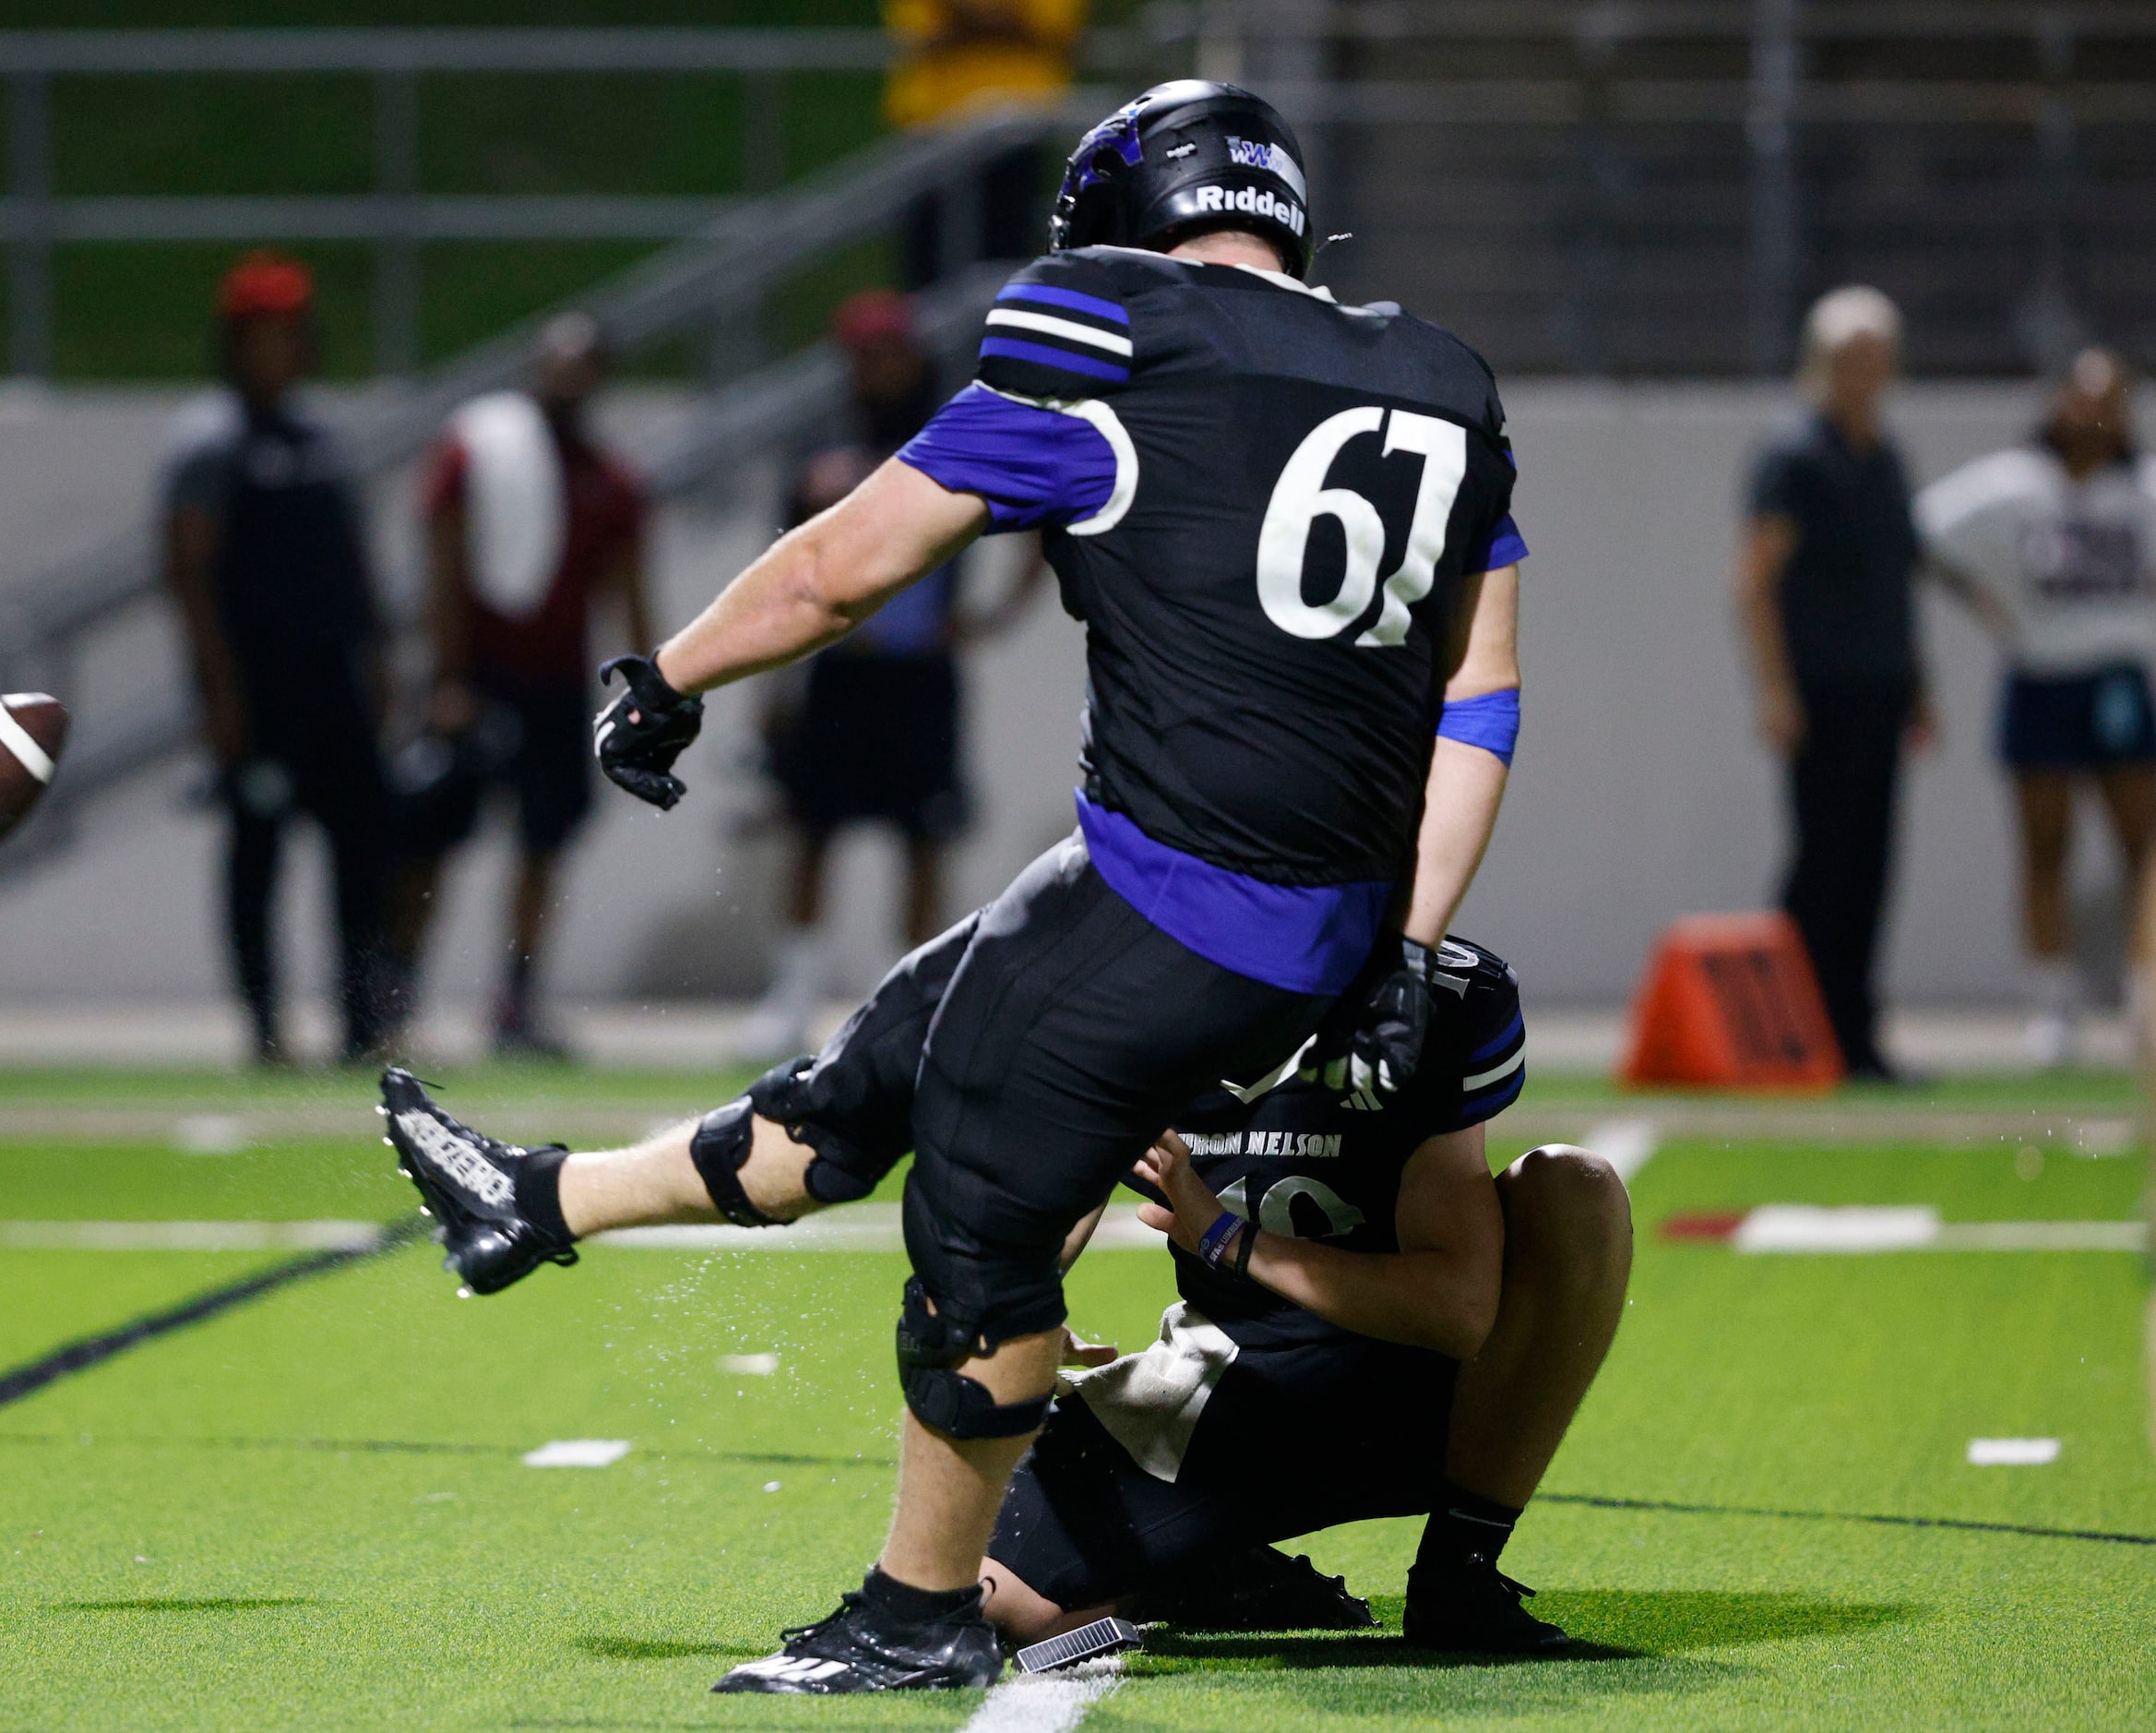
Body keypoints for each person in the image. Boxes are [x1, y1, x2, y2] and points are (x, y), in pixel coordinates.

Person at [386, 82, 1527, 1693]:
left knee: (980, 1205)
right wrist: (1401, 938)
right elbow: (1479, 694)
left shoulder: (1108, 326)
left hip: (1177, 899)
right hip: (1300, 906)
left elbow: (843, 563)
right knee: (881, 1069)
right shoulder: (1439, 377)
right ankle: (537, 1201)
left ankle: (917, 1605)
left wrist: (671, 673)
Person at [981, 938, 1630, 1657]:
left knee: (1573, 1191)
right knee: (1011, 1611)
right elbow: (1050, 1188)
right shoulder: (1105, 997)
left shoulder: (1427, 1000)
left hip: (1431, 1388)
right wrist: (1023, 1299)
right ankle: (1209, 1567)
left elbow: (1457, 1311)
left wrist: (1228, 1236)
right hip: (1229, 1383)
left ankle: (1460, 1570)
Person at [740, 290, 1048, 1059]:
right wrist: (771, 684)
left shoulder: (952, 439)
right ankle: (795, 994)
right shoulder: (823, 453)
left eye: (891, 354)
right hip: (838, 668)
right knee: (812, 831)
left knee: (923, 837)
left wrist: (987, 619)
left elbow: (1036, 527)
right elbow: (781, 567)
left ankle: (913, 995)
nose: (878, 370)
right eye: (865, 356)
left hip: (918, 673)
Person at [391, 313, 653, 1057]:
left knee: (544, 844)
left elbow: (630, 593)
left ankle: (515, 999)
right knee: (433, 839)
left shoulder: (610, 479)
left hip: (556, 685)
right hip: (478, 676)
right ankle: (396, 992)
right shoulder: (483, 451)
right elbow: (442, 561)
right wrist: (446, 675)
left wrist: (650, 692)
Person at [161, 252, 397, 1067]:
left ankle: (363, 1020)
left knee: (362, 849)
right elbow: (188, 573)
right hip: (260, 688)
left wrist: (378, 662)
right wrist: (218, 695)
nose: (280, 351)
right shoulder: (210, 443)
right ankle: (264, 1022)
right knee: (258, 850)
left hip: (333, 679)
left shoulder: (322, 439)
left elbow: (354, 563)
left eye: (291, 334)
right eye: (263, 335)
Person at [1917, 350, 2156, 1066]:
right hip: (2041, 675)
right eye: (2086, 398)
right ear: (2057, 404)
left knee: (2139, 848)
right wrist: (1988, 605)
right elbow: (1923, 534)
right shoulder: (2011, 485)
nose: (2097, 413)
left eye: (2112, 400)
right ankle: (2051, 1005)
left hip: (2116, 676)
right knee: (2044, 845)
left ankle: (2143, 996)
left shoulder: (2143, 490)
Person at [1736, 285, 1927, 1082]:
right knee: (1822, 866)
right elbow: (1753, 582)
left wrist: (1918, 687)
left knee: (1873, 865)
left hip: (1881, 687)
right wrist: (1774, 690)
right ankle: (1795, 1034)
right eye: (1851, 358)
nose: (1865, 373)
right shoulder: (1794, 457)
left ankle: (1856, 1035)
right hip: (1820, 691)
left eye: (1876, 358)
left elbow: (1896, 582)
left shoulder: (1885, 457)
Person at [884, 0, 1088, 289]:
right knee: (927, 273)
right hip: (933, 125)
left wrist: (963, 15)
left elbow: (1051, 28)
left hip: (1022, 125)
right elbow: (923, 30)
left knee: (1005, 260)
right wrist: (1008, 18)